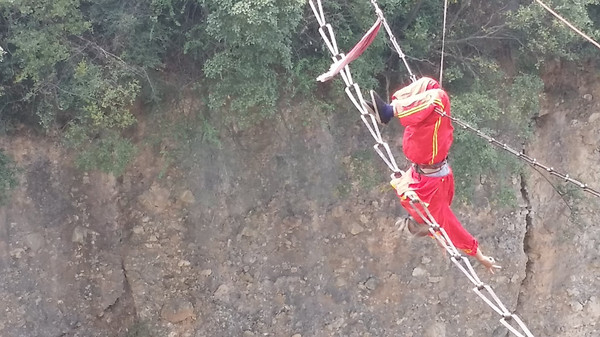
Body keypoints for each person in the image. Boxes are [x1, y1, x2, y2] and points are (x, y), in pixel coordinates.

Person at [363, 77, 501, 274]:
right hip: (420, 149)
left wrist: (480, 257)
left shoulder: (432, 211)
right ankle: (392, 106)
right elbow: (402, 184)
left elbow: (458, 234)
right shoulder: (411, 203)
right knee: (429, 85)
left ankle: (388, 111)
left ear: (428, 225)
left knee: (438, 98)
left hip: (429, 154)